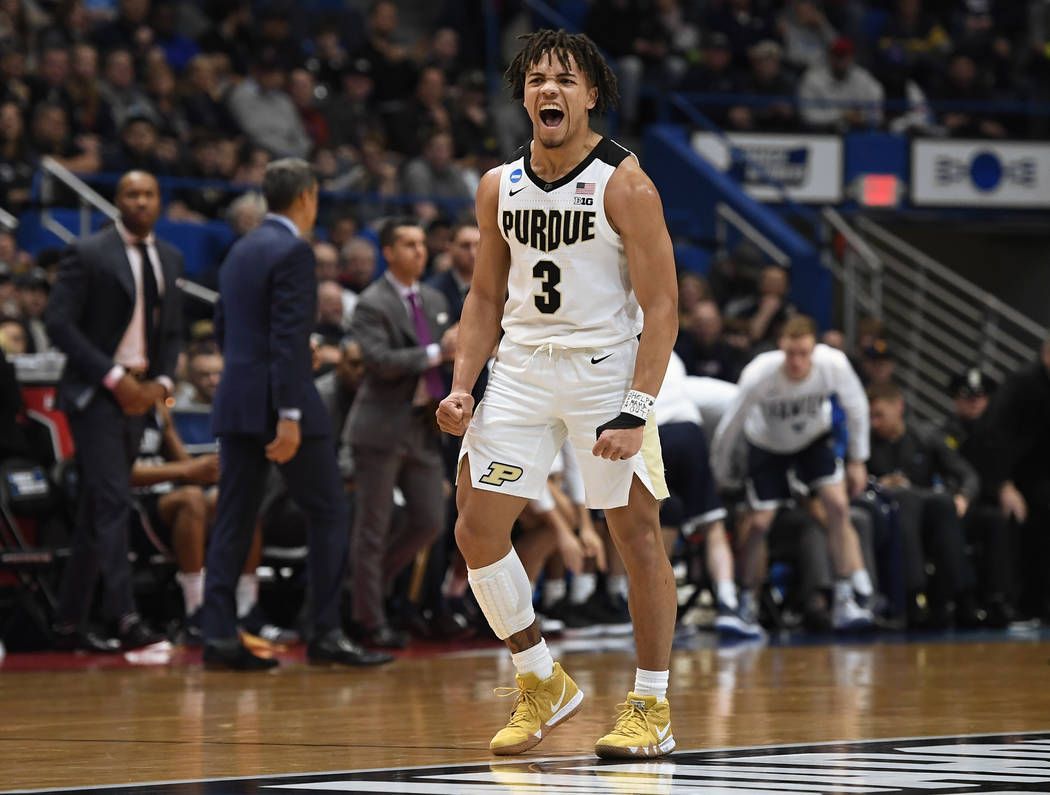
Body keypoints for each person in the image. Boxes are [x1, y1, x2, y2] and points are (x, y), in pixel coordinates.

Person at [436, 30, 679, 759]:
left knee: (631, 534)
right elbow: (483, 293)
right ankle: (541, 679)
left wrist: (636, 408)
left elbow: (662, 305)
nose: (550, 90)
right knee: (476, 529)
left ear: (591, 93)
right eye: (538, 79)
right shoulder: (497, 185)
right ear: (522, 93)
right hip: (519, 371)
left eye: (566, 81)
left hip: (605, 372)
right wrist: (460, 383)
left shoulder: (625, 184)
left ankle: (652, 705)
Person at [201, 158, 391, 670]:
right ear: (307, 196)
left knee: (234, 518)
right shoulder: (293, 251)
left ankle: (217, 635)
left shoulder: (240, 248)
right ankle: (325, 632)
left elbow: (225, 327)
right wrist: (288, 412)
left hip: (238, 399)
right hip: (283, 406)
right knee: (329, 511)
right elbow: (286, 338)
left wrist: (250, 369)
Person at [45, 170, 182, 651]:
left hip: (142, 394)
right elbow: (58, 323)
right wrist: (114, 377)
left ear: (159, 202)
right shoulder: (88, 252)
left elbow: (173, 333)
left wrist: (160, 385)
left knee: (96, 508)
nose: (141, 201)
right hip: (96, 394)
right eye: (131, 194)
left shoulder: (169, 256)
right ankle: (123, 618)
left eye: (149, 194)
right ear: (117, 201)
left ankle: (67, 622)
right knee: (112, 502)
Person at [711, 315, 876, 632]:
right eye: (791, 354)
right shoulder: (760, 373)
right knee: (759, 524)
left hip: (813, 439)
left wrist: (858, 459)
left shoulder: (834, 365)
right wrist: (723, 471)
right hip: (767, 445)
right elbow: (730, 427)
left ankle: (845, 597)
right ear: (781, 348)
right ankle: (747, 601)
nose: (797, 362)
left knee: (838, 507)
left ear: (814, 349)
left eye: (804, 354)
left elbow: (857, 409)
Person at [346, 217, 455, 649]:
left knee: (429, 520)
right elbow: (378, 360)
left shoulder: (432, 297)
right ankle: (367, 620)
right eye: (409, 244)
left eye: (423, 244)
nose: (419, 251)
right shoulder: (371, 302)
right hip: (381, 426)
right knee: (371, 527)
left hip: (422, 425)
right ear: (388, 251)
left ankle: (363, 590)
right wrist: (436, 352)